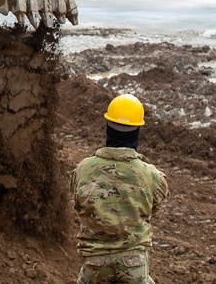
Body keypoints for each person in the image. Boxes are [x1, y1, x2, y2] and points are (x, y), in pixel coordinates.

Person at [71, 93, 169, 283]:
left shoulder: (83, 170)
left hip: (95, 264)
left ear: (108, 128)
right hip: (134, 265)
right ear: (137, 131)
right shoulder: (152, 176)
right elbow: (153, 208)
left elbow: (78, 204)